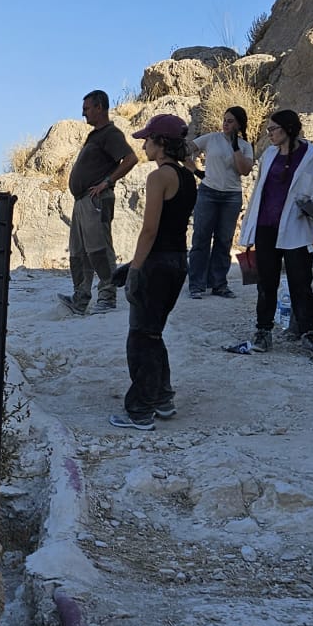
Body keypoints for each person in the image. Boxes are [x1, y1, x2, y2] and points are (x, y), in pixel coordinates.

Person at [112, 114, 199, 431]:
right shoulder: (188, 176)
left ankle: (140, 410)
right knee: (154, 334)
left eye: (148, 139)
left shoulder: (159, 177)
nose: (144, 144)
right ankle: (163, 398)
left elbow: (149, 230)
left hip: (157, 265)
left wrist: (135, 269)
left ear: (161, 143)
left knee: (140, 339)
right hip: (178, 262)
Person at [236, 110, 313, 352]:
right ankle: (263, 330)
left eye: (273, 129)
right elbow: (259, 191)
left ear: (288, 129)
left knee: (301, 280)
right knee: (266, 282)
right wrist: (249, 228)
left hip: (296, 226)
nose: (269, 134)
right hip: (266, 225)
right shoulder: (268, 155)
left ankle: (308, 330)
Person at [58, 89, 139, 315]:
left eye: (86, 109)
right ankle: (80, 297)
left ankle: (107, 295)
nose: (83, 113)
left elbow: (131, 158)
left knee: (99, 249)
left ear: (99, 107)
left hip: (95, 199)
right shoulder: (95, 135)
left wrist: (107, 181)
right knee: (79, 251)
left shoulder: (110, 133)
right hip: (82, 200)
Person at [187, 106, 255, 299]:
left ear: (239, 124)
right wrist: (197, 172)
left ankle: (219, 284)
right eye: (224, 120)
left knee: (224, 241)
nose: (225, 124)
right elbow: (185, 150)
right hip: (208, 192)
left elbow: (244, 170)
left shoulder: (245, 146)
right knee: (201, 238)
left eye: (230, 121)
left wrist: (235, 146)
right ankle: (196, 285)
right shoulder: (211, 138)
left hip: (231, 196)